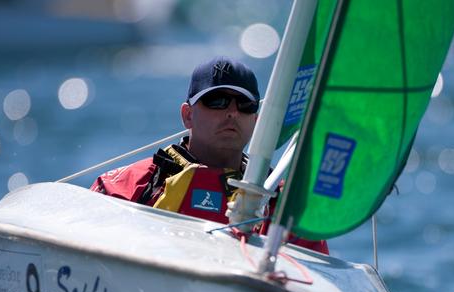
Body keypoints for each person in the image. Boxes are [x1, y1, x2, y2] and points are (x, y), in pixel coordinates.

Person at [91, 56, 328, 254]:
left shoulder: (284, 206)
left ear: (255, 121)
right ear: (188, 115)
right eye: (217, 101)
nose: (232, 112)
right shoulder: (125, 186)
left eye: (245, 105)